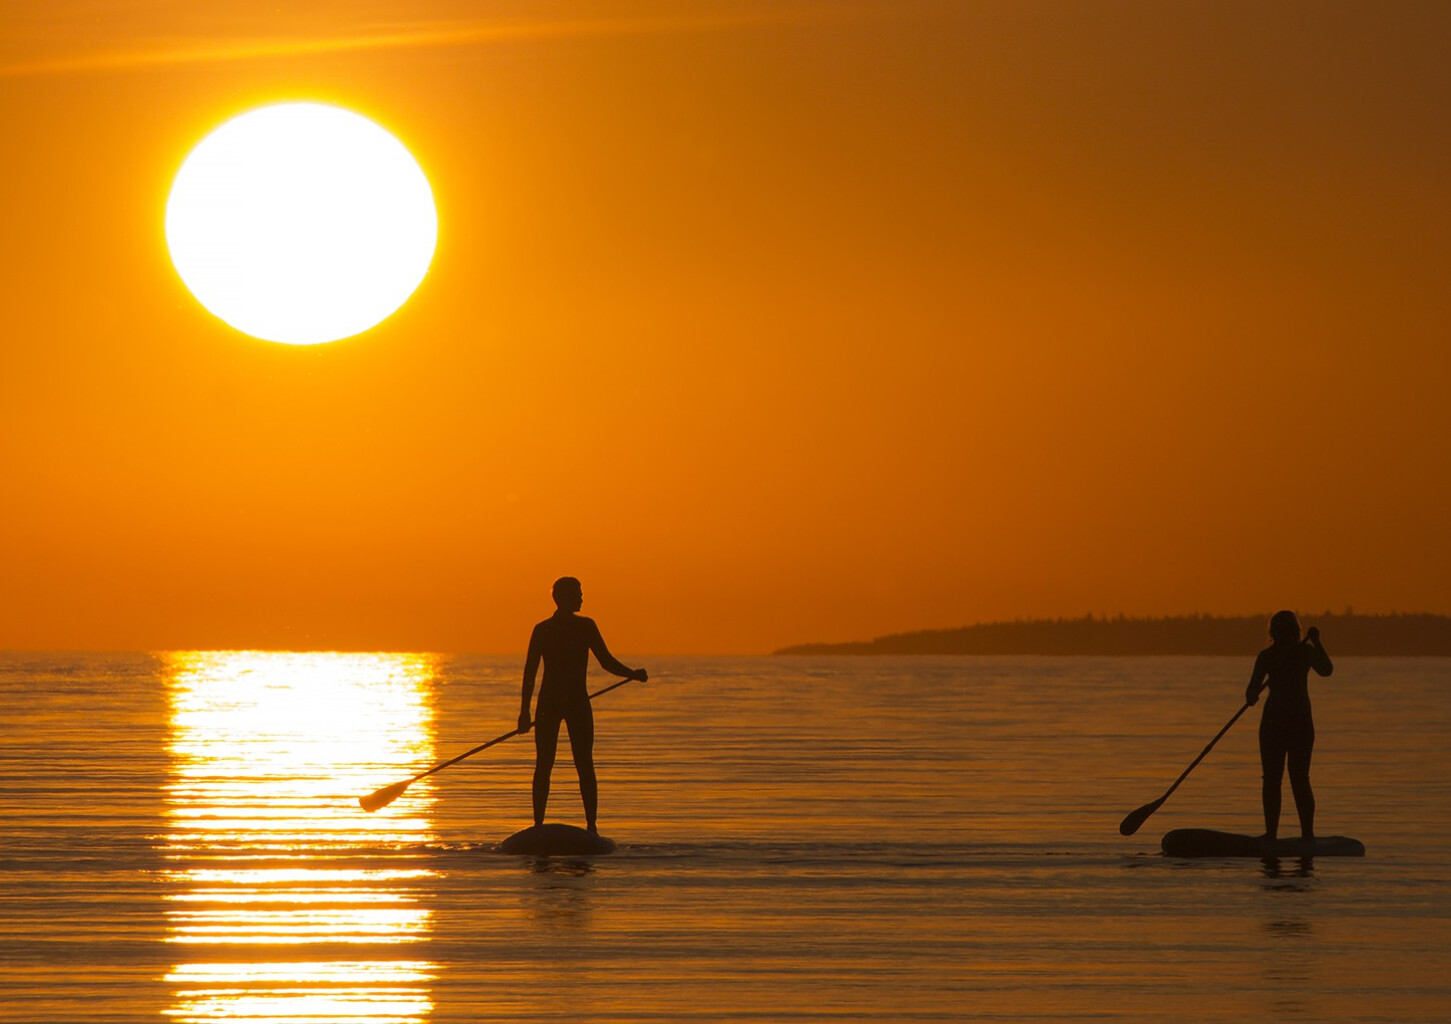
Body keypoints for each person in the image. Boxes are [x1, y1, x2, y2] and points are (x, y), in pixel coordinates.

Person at [517, 577, 646, 833]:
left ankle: (591, 827)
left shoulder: (584, 627)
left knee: (583, 763)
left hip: (576, 702)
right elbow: (530, 672)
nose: (582, 598)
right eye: (578, 594)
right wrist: (524, 712)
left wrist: (631, 674)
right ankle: (538, 825)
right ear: (564, 598)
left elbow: (606, 662)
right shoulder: (544, 629)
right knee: (546, 763)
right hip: (552, 704)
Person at [1244, 610, 1333, 841]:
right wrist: (1253, 694)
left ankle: (1306, 836)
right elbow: (1250, 694)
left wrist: (1316, 642)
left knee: (1297, 779)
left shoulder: (1303, 653)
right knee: (1274, 780)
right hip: (1276, 723)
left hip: (1296, 723)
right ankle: (1273, 835)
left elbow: (1326, 670)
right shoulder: (1268, 657)